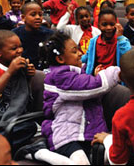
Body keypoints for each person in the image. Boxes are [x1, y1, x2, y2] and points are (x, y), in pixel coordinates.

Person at [37, 31, 120, 165]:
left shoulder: (76, 72)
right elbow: (96, 86)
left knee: (110, 157)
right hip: (66, 134)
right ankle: (38, 153)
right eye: (75, 51)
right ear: (60, 59)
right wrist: (117, 73)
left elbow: (83, 79)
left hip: (86, 132)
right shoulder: (59, 76)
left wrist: (92, 72)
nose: (80, 53)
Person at [81, 8, 131, 76]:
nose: (108, 28)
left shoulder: (122, 41)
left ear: (117, 24)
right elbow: (88, 57)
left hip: (116, 78)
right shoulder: (93, 41)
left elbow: (129, 57)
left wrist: (120, 37)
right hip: (98, 76)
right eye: (104, 24)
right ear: (98, 26)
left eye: (112, 24)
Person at [12, 1, 54, 70]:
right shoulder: (14, 34)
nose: (38, 17)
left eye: (40, 15)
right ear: (23, 17)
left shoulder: (50, 34)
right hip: (21, 69)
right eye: (33, 15)